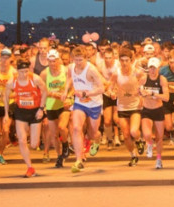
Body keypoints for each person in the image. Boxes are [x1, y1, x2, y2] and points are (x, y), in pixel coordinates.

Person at [64, 45, 106, 173]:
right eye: (76, 60)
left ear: (86, 58)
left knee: (93, 133)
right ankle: (79, 160)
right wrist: (65, 91)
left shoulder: (91, 70)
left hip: (94, 104)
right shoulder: (71, 67)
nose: (78, 63)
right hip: (80, 103)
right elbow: (69, 78)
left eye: (80, 60)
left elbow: (102, 88)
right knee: (76, 128)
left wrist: (86, 93)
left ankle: (97, 139)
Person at [3, 59, 48, 178]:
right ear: (17, 71)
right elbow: (5, 96)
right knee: (22, 140)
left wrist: (41, 108)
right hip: (21, 111)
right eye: (22, 72)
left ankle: (31, 133)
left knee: (34, 144)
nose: (24, 74)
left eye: (26, 71)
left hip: (35, 111)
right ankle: (30, 167)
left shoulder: (35, 79)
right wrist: (6, 114)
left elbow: (45, 92)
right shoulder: (12, 81)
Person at [112, 47, 145, 166]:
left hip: (135, 105)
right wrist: (112, 93)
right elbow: (110, 87)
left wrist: (141, 94)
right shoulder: (116, 73)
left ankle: (139, 140)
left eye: (127, 60)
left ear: (131, 60)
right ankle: (133, 155)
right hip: (122, 106)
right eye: (122, 60)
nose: (124, 63)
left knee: (134, 131)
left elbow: (144, 83)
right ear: (119, 60)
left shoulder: (137, 72)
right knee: (126, 136)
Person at [40, 48, 70, 168]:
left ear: (58, 60)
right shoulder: (44, 73)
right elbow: (41, 90)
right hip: (51, 105)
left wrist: (68, 96)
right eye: (50, 61)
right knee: (54, 135)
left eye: (55, 61)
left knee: (62, 127)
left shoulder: (65, 70)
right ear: (47, 61)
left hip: (64, 104)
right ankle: (59, 156)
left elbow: (72, 85)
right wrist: (51, 95)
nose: (53, 64)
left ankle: (66, 144)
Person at [140, 56, 169, 169]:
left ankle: (159, 159)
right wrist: (141, 92)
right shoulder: (144, 78)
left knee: (159, 138)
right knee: (147, 134)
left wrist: (153, 94)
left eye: (154, 68)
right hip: (146, 109)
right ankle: (149, 144)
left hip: (158, 110)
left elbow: (166, 97)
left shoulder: (162, 79)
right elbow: (138, 90)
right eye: (151, 68)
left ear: (158, 68)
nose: (152, 70)